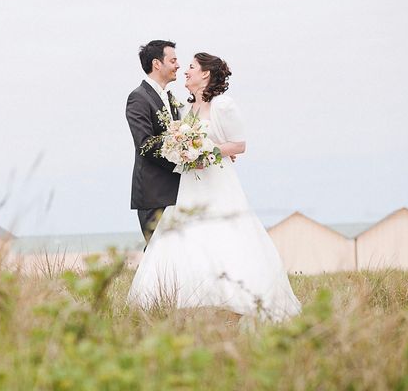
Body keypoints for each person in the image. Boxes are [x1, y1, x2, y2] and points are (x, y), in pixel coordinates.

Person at [127, 52, 301, 322]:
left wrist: (207, 152)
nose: (185, 70)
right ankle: (191, 304)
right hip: (189, 185)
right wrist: (185, 153)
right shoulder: (185, 109)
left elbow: (239, 144)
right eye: (181, 64)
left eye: (192, 67)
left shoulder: (223, 105)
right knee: (189, 239)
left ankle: (234, 301)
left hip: (217, 182)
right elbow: (176, 141)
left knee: (223, 235)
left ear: (205, 74)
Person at [125, 40, 182, 248]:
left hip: (175, 190)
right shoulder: (138, 98)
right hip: (153, 192)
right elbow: (145, 144)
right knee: (159, 256)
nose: (178, 65)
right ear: (157, 64)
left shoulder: (171, 98)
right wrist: (182, 163)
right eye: (173, 60)